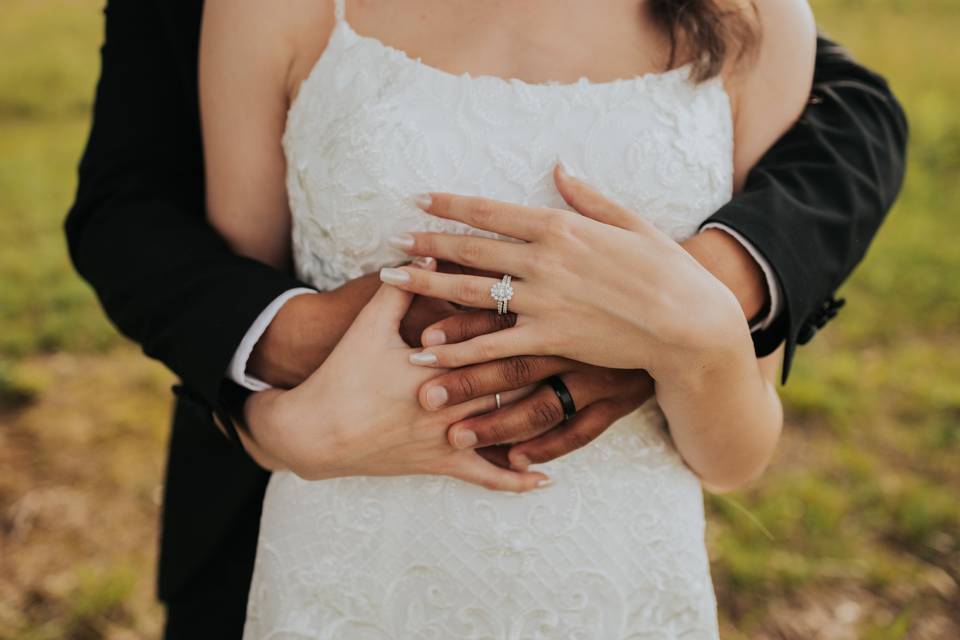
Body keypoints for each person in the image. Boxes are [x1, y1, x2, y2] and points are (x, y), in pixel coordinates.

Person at [65, 0, 907, 637]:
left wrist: (692, 319)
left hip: (611, 584)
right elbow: (197, 251)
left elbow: (737, 450)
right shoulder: (268, 13)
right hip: (342, 563)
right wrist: (273, 423)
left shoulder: (751, 19)